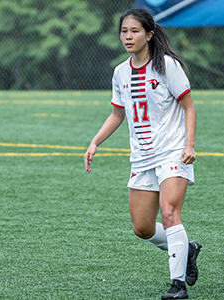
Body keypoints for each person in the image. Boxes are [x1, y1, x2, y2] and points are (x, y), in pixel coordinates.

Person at [84, 8, 201, 300]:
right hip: (142, 157)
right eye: (124, 31)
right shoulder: (120, 72)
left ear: (149, 35)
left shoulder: (167, 66)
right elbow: (117, 114)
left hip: (172, 151)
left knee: (170, 212)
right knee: (142, 227)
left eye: (134, 31)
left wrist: (189, 145)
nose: (128, 36)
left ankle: (177, 286)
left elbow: (189, 107)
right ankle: (187, 249)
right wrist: (95, 142)